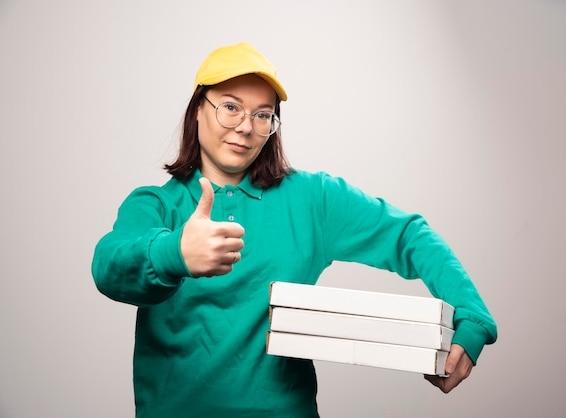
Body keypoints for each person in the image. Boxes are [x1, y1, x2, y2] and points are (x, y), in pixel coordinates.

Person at [92, 42, 497, 418]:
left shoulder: (312, 199)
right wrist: (175, 253)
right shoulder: (155, 205)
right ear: (198, 108)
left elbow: (409, 234)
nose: (246, 126)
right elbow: (109, 266)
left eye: (263, 115)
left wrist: (473, 317)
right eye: (230, 107)